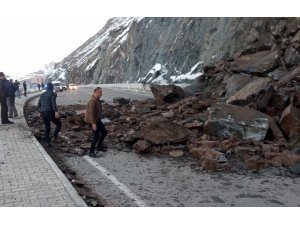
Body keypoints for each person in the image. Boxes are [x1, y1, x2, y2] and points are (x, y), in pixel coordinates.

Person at [84, 87, 107, 158]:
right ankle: (91, 151)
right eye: (99, 92)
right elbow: (91, 113)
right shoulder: (92, 101)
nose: (101, 94)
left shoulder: (97, 99)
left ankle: (99, 146)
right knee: (96, 136)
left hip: (97, 119)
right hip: (92, 121)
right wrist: (93, 124)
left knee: (104, 132)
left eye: (101, 92)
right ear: (95, 92)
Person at [38, 82, 62, 147]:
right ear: (52, 88)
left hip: (43, 113)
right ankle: (54, 136)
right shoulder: (53, 94)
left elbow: (39, 103)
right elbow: (53, 103)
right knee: (59, 124)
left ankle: (47, 142)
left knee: (47, 127)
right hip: (50, 112)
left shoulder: (42, 94)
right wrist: (56, 111)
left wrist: (40, 112)